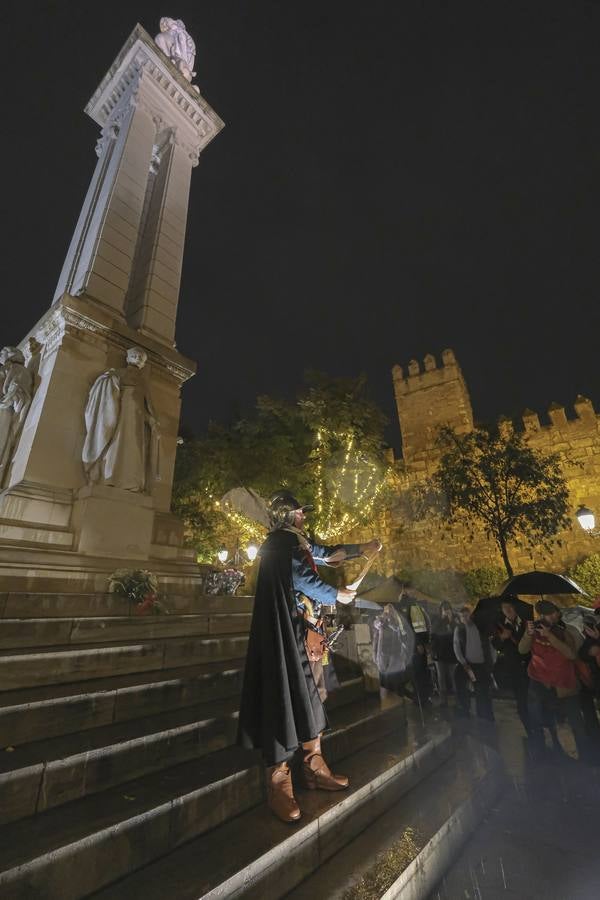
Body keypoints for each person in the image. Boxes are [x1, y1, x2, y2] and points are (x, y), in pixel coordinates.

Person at [237, 489, 381, 823]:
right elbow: (300, 576)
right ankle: (278, 778)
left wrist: (364, 549)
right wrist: (336, 594)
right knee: (283, 696)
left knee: (314, 695)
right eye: (299, 513)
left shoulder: (296, 541)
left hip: (304, 634)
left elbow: (330, 555)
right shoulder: (278, 544)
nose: (304, 517)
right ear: (286, 516)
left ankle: (314, 766)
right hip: (283, 637)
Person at [519, 599, 588, 760]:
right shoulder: (534, 630)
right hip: (539, 682)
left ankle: (586, 756)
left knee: (575, 722)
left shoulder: (564, 630)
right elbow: (522, 649)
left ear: (556, 614)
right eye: (544, 615)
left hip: (564, 684)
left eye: (550, 614)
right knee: (539, 720)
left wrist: (550, 636)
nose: (547, 618)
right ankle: (547, 754)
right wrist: (528, 634)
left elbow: (570, 654)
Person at [492, 596, 530, 733]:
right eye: (504, 608)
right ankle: (530, 731)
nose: (507, 610)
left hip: (530, 666)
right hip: (514, 669)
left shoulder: (525, 622)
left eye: (510, 607)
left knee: (533, 700)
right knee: (522, 703)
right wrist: (502, 637)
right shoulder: (499, 626)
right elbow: (495, 644)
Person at [453, 604, 496, 721]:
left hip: (482, 664)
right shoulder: (459, 629)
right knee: (460, 685)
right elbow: (456, 647)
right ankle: (464, 709)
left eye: (466, 616)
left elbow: (490, 645)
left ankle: (485, 714)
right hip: (467, 664)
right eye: (462, 617)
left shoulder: (480, 627)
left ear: (471, 616)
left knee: (483, 691)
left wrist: (492, 661)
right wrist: (463, 663)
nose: (464, 619)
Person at [398, 590, 432, 706]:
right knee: (418, 674)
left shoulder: (415, 605)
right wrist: (418, 643)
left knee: (421, 672)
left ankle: (423, 698)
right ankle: (420, 699)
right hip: (415, 647)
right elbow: (408, 628)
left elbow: (424, 625)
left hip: (420, 645)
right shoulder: (406, 606)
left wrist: (426, 642)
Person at [430, 601, 458, 707]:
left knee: (453, 676)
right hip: (440, 653)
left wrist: (451, 621)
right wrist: (442, 619)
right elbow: (433, 631)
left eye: (448, 609)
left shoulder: (454, 618)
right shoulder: (437, 619)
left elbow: (457, 631)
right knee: (441, 677)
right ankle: (443, 700)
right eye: (444, 609)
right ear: (441, 610)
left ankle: (458, 699)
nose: (446, 611)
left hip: (452, 652)